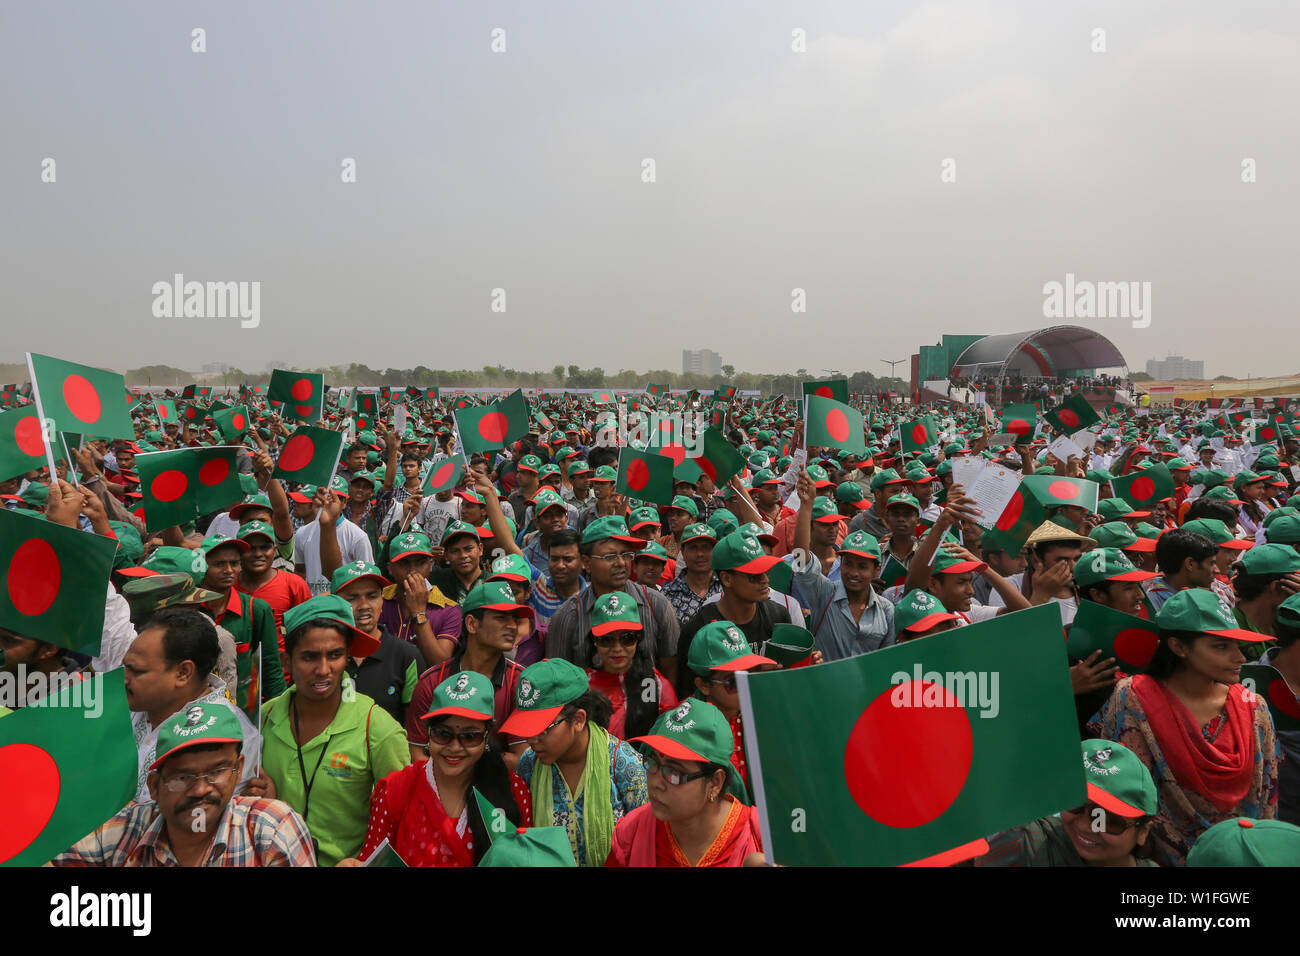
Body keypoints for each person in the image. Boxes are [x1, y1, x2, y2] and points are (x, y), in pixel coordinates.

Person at [1091, 588, 1279, 866]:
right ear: (1178, 647)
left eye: (1237, 645)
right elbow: (1122, 787)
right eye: (1221, 646)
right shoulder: (1133, 698)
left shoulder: (1254, 707)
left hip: (1240, 856)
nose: (1239, 657)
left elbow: (1268, 794)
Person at [53, 702, 316, 867]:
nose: (201, 790)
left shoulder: (271, 831)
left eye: (218, 771)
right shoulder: (118, 833)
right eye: (182, 777)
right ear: (154, 786)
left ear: (238, 772)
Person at [261, 595, 411, 867]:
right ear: (286, 662)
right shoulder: (263, 720)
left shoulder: (377, 729)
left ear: (348, 657)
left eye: (334, 655)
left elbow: (401, 821)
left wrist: (363, 861)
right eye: (309, 657)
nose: (323, 670)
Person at [340, 671, 530, 867]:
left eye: (470, 736)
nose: (455, 747)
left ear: (487, 736)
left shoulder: (514, 790)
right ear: (428, 732)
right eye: (443, 734)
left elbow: (526, 860)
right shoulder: (396, 789)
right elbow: (372, 860)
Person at [503, 658, 648, 866]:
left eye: (543, 728)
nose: (532, 740)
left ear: (578, 720)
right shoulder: (530, 764)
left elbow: (645, 840)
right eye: (527, 729)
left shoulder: (623, 764)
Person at [123, 608, 266, 803]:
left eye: (136, 671)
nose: (124, 679)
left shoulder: (234, 736)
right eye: (125, 667)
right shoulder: (133, 706)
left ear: (183, 673)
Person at [606, 698, 765, 867]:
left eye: (674, 772)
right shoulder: (633, 832)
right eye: (652, 763)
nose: (656, 783)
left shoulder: (759, 838)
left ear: (715, 783)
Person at [404, 580, 532, 765]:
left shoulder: (520, 682)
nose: (512, 626)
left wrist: (459, 762)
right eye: (501, 618)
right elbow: (416, 753)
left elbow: (522, 759)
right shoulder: (432, 681)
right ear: (471, 624)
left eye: (514, 618)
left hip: (496, 790)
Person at [977, 740, 1159, 867]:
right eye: (1075, 804)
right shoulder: (1026, 844)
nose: (1085, 826)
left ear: (1143, 831)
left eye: (1107, 820)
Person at [547, 516, 680, 686]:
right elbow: (558, 681)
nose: (621, 563)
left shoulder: (657, 605)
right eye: (610, 556)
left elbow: (670, 671)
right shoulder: (567, 616)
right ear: (586, 563)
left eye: (626, 555)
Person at [791, 470, 894, 661]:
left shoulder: (887, 610)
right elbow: (799, 558)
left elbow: (886, 661)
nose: (853, 573)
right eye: (848, 564)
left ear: (876, 569)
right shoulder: (824, 593)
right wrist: (806, 506)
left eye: (862, 566)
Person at [675, 530, 790, 696]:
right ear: (727, 579)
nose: (765, 579)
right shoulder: (699, 630)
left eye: (766, 571)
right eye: (754, 575)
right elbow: (687, 695)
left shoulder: (779, 617)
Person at [685, 620, 778, 794]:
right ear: (704, 686)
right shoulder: (687, 730)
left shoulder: (761, 711)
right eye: (733, 682)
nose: (745, 685)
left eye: (749, 674)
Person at [332, 561, 423, 724]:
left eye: (372, 596)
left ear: (382, 601)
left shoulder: (406, 656)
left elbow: (414, 728)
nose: (364, 605)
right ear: (335, 603)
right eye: (352, 598)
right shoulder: (323, 654)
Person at [583, 589, 678, 739]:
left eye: (627, 638)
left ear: (638, 639)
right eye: (607, 640)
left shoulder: (655, 686)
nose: (617, 648)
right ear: (595, 642)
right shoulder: (582, 686)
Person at [1143, 526, 1222, 611]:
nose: (1217, 570)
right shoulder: (1152, 606)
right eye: (1211, 563)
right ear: (1190, 564)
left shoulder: (1207, 598)